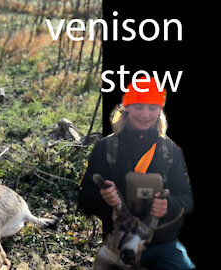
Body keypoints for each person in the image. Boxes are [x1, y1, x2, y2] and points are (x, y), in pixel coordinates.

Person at [78, 76, 194, 269]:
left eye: (152, 107)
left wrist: (168, 205)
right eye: (138, 106)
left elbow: (186, 198)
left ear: (160, 110)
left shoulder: (170, 151)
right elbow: (84, 200)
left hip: (161, 245)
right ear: (127, 106)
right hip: (118, 245)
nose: (145, 114)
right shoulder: (105, 148)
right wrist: (103, 197)